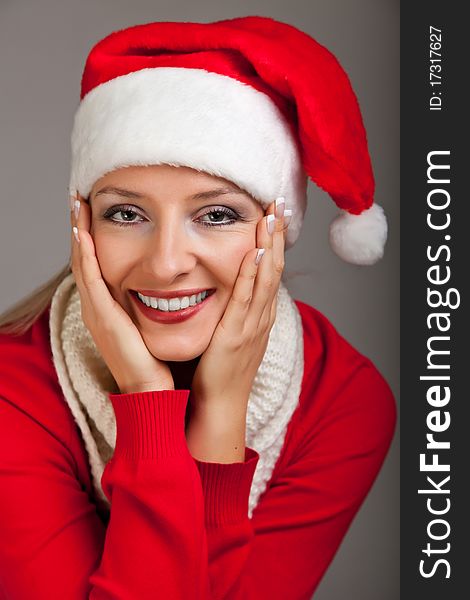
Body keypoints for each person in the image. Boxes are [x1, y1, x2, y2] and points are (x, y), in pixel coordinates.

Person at [0, 15, 396, 599]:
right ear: (82, 223)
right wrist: (148, 404)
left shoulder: (343, 401)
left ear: (277, 231)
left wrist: (221, 413)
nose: (165, 264)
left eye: (217, 215)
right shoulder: (13, 389)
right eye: (126, 214)